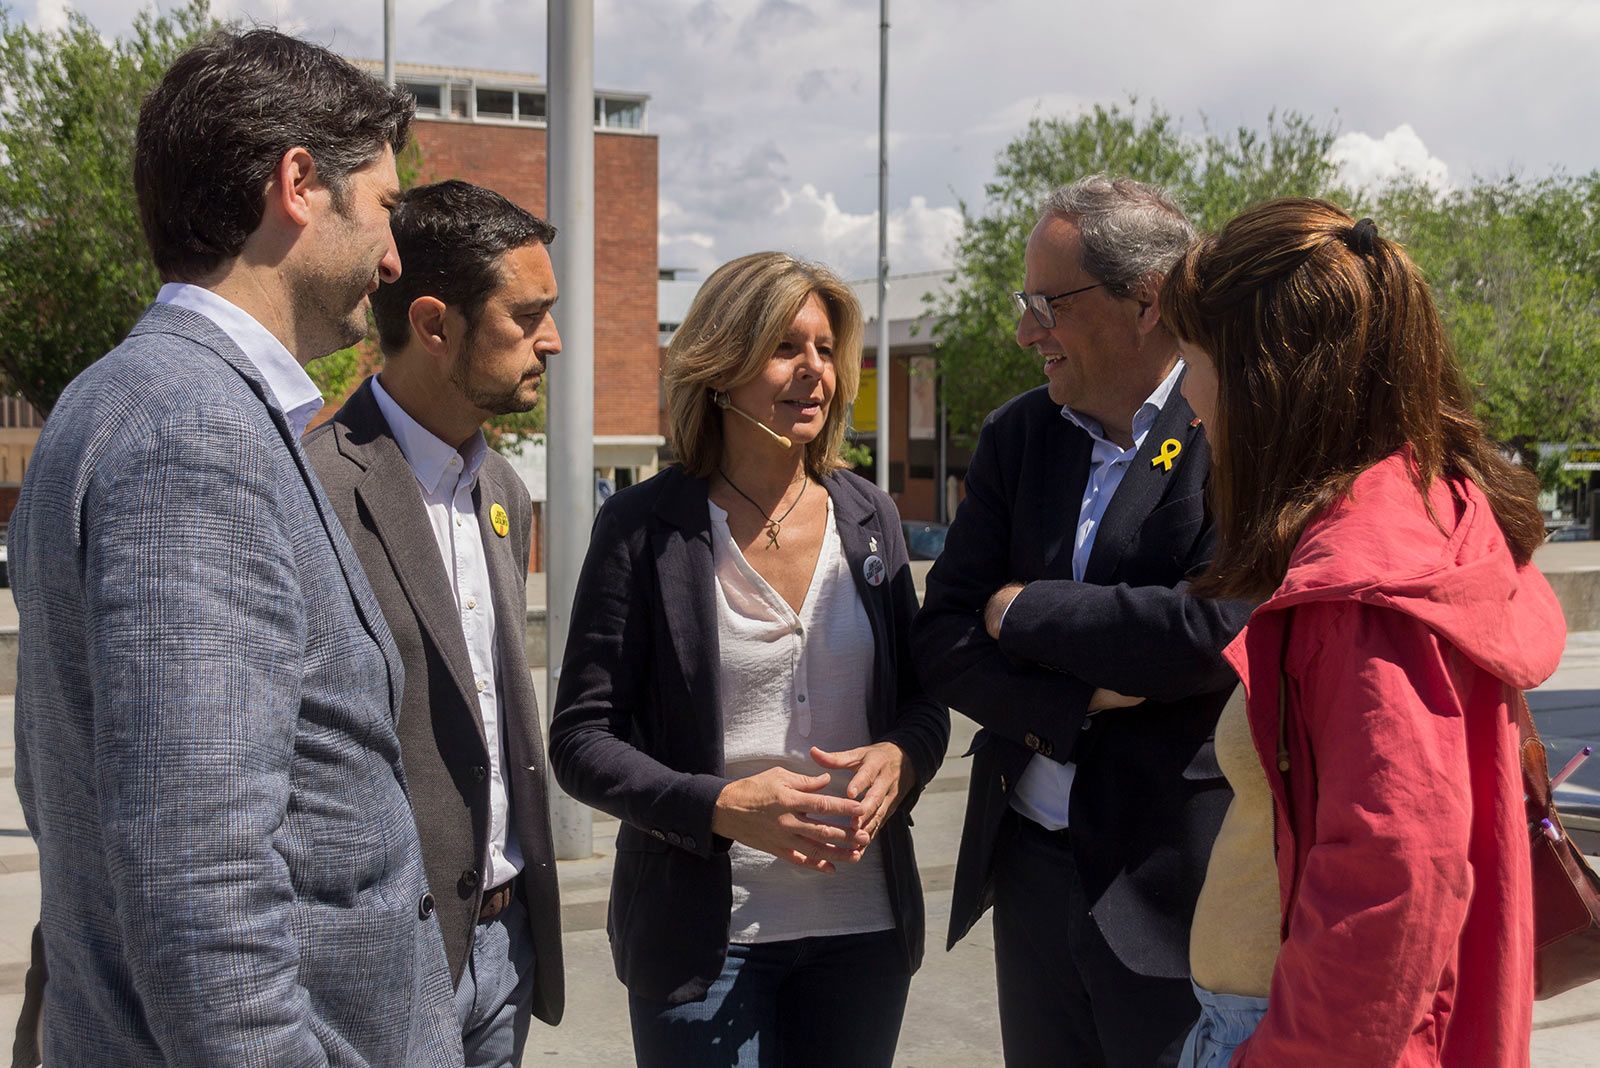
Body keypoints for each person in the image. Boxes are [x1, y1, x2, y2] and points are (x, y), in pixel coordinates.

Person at [5, 29, 461, 1066]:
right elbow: (201, 888)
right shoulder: (193, 431)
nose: (394, 258)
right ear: (297, 185)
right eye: (384, 207)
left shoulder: (132, 399)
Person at [1160, 198, 1566, 1066]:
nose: (1186, 401)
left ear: (1265, 378)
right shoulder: (1435, 511)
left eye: (1191, 360)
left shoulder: (1360, 582)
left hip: (1286, 1034)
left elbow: (1395, 872)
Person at [549, 251, 949, 1067]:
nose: (815, 370)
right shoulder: (640, 526)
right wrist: (721, 806)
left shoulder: (869, 515)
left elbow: (925, 703)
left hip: (862, 935)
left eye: (826, 349)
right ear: (721, 366)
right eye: (785, 347)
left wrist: (903, 757)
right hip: (703, 942)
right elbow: (582, 741)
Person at [911, 175, 1252, 1067]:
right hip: (1030, 869)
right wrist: (1080, 701)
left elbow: (1207, 632)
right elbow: (943, 638)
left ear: (1146, 301)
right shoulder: (1018, 436)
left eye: (1047, 305)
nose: (1027, 333)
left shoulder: (1231, 430)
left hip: (1171, 886)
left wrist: (1020, 608)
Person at [304, 179, 566, 1065]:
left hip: (507, 953)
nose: (551, 341)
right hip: (383, 969)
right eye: (526, 316)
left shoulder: (504, 493)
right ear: (433, 324)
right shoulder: (314, 487)